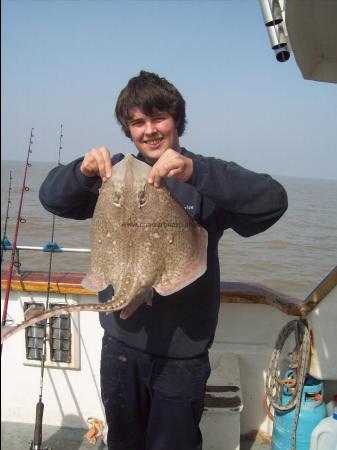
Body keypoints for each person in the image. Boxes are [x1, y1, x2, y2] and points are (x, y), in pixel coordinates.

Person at [39, 70, 288, 450]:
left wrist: (197, 172)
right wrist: (81, 171)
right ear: (128, 129)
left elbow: (272, 201)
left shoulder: (201, 176)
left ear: (177, 121)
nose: (149, 130)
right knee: (123, 443)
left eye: (158, 118)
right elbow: (53, 199)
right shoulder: (115, 175)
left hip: (181, 356)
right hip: (120, 350)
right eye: (137, 122)